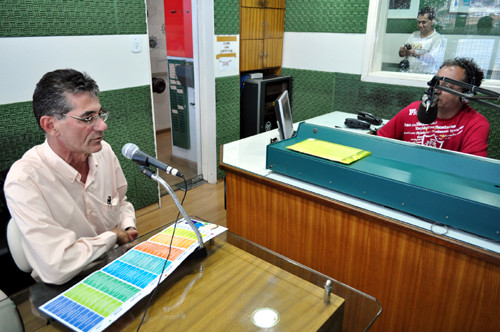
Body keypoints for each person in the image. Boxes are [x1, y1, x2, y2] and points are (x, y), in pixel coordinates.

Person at [4, 69, 138, 285]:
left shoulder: (104, 152)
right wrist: (113, 236)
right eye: (87, 118)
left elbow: (121, 202)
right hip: (68, 284)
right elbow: (57, 266)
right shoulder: (24, 180)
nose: (102, 125)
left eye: (100, 114)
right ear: (51, 125)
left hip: (116, 263)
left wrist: (127, 226)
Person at [378, 57, 490, 157]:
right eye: (436, 83)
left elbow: (470, 170)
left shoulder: (476, 124)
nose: (436, 90)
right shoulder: (413, 110)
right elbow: (380, 142)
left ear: (466, 95)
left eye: (446, 86)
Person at [399, 6, 445, 74]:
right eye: (419, 22)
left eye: (424, 22)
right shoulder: (413, 35)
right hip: (411, 73)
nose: (420, 25)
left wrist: (415, 54)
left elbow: (433, 59)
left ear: (432, 21)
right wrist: (402, 52)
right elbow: (402, 54)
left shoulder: (438, 38)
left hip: (427, 76)